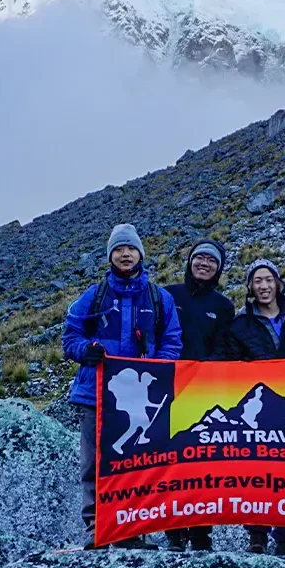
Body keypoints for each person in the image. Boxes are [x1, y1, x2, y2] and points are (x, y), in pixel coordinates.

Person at [62, 223, 183, 549]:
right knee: (94, 465)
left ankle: (132, 531)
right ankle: (97, 530)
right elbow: (71, 336)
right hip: (96, 396)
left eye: (130, 248)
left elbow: (173, 341)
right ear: (110, 256)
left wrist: (155, 367)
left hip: (140, 399)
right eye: (118, 249)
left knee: (137, 465)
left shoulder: (160, 298)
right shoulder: (93, 296)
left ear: (140, 254)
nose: (125, 254)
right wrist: (85, 352)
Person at [224, 258, 285, 556]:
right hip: (259, 408)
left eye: (268, 280)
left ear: (278, 284)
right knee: (256, 470)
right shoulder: (240, 324)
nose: (263, 286)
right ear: (250, 287)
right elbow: (227, 361)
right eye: (257, 281)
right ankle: (257, 535)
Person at [162, 238, 234, 553]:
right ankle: (174, 533)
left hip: (205, 392)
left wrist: (204, 370)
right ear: (190, 261)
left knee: (204, 465)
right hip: (166, 390)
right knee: (169, 462)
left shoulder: (224, 306)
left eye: (212, 261)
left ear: (218, 269)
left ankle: (202, 533)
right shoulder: (168, 295)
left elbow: (224, 347)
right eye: (199, 258)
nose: (204, 264)